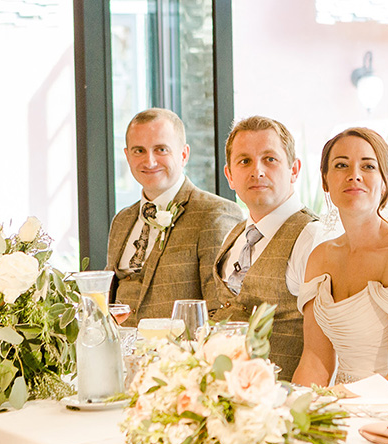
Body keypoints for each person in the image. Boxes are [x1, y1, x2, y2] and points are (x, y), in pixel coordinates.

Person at [292, 128, 388, 403]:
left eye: (368, 166)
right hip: (335, 408)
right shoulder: (320, 258)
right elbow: (314, 361)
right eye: (341, 165)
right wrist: (294, 410)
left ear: (386, 181)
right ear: (325, 181)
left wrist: (333, 403)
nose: (354, 175)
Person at [106, 108, 243, 325]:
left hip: (178, 356)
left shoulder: (214, 215)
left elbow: (223, 312)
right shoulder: (121, 221)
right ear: (127, 156)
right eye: (138, 151)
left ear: (184, 154)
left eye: (161, 149)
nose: (149, 161)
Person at [211, 116, 325, 372]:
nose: (257, 171)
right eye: (245, 161)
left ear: (294, 170)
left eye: (270, 159)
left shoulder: (311, 237)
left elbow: (326, 348)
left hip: (283, 400)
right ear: (229, 176)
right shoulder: (236, 234)